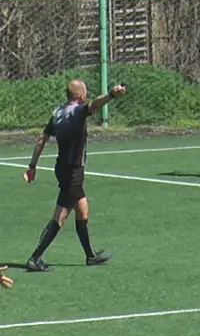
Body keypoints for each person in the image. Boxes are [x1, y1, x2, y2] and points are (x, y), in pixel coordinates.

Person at [21, 80, 126, 272]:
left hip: (62, 168)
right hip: (73, 172)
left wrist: (32, 166)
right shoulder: (78, 111)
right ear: (81, 95)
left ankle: (90, 256)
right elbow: (96, 104)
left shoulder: (58, 113)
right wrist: (112, 94)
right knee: (60, 216)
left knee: (82, 209)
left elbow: (41, 139)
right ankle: (35, 258)